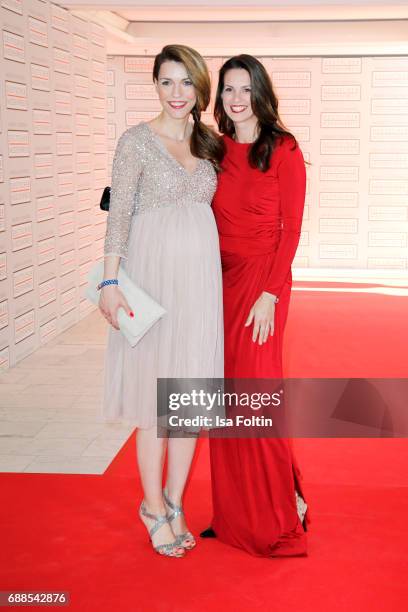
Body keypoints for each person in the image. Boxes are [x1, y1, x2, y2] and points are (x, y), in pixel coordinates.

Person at [98, 44, 224, 558]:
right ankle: (151, 505)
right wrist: (110, 284)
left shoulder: (210, 144)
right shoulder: (135, 142)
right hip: (150, 280)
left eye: (186, 83)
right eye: (167, 82)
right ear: (154, 85)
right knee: (154, 400)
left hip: (199, 283)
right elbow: (119, 215)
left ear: (199, 89)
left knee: (186, 399)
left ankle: (174, 500)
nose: (177, 93)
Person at [201, 55, 310, 557]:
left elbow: (291, 230)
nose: (236, 99)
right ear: (219, 96)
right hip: (216, 283)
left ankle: (278, 512)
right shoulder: (213, 149)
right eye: (228, 90)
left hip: (264, 283)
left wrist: (269, 292)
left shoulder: (284, 149)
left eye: (245, 89)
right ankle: (232, 515)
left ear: (261, 93)